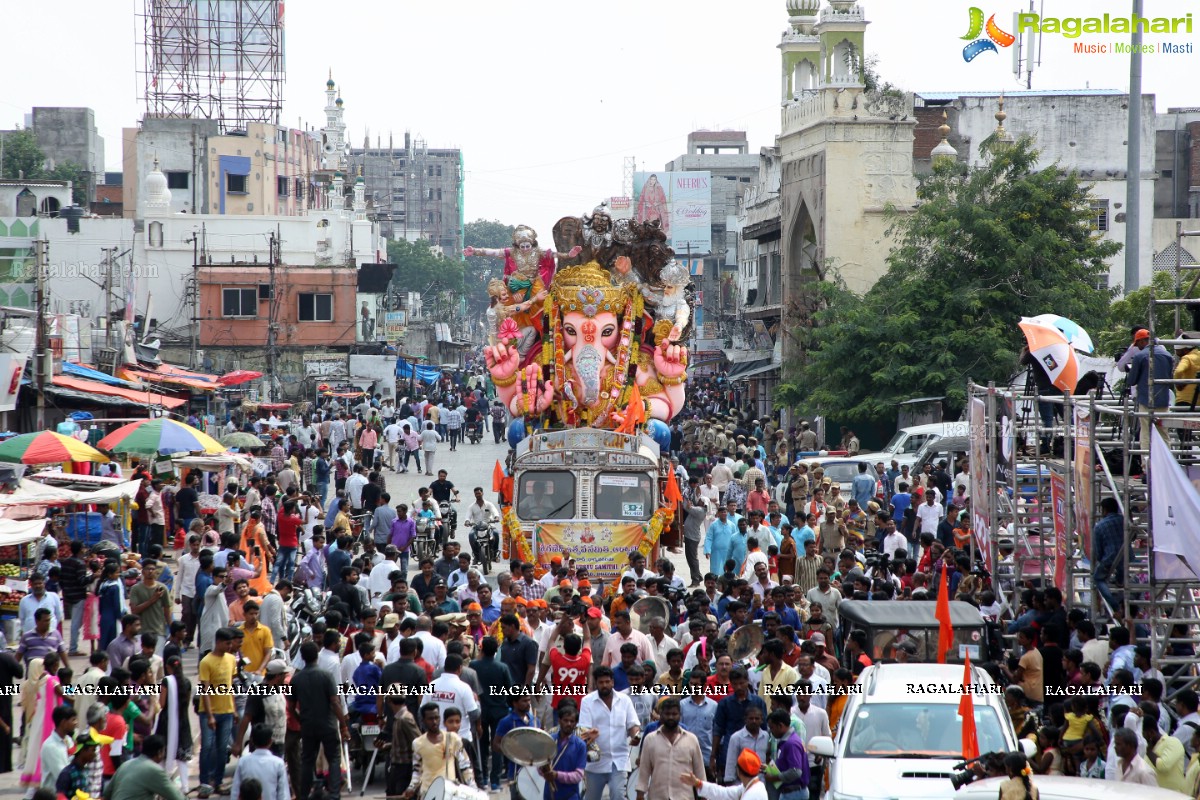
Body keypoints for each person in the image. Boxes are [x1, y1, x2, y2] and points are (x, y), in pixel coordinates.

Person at [291, 640, 348, 800]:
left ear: (302, 657)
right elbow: (335, 702)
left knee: (308, 760)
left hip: (308, 725)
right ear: (317, 655)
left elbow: (290, 707)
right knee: (334, 758)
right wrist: (343, 725)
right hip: (328, 724)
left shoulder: (297, 679)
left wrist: (301, 720)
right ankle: (334, 794)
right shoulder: (326, 676)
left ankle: (304, 794)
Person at [580, 665, 641, 800]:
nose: (605, 685)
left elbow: (633, 725)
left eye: (607, 682)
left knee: (618, 796)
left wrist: (635, 736)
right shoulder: (587, 701)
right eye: (601, 682)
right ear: (596, 683)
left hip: (619, 761)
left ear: (612, 682)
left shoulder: (624, 700)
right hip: (595, 762)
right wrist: (590, 733)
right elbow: (583, 731)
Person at [636, 696, 704, 800]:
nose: (671, 717)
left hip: (684, 797)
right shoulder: (650, 739)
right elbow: (643, 773)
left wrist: (704, 795)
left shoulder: (691, 739)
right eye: (667, 714)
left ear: (680, 715)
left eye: (674, 714)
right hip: (657, 796)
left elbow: (700, 773)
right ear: (661, 715)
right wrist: (640, 795)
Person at [198, 628, 237, 798]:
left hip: (227, 711)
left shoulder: (231, 659)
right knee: (206, 748)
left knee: (222, 749)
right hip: (208, 713)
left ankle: (219, 781)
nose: (230, 646)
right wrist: (210, 715)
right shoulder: (206, 662)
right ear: (219, 642)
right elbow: (204, 691)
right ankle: (204, 783)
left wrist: (234, 710)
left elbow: (231, 687)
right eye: (227, 643)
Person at [404, 704, 474, 798]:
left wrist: (473, 789)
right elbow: (417, 771)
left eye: (437, 718)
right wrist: (411, 788)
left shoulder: (453, 739)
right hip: (428, 793)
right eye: (430, 719)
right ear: (423, 721)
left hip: (450, 792)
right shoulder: (418, 744)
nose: (434, 722)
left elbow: (465, 766)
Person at [680, 747, 768, 800]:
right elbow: (724, 793)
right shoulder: (751, 786)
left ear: (738, 770)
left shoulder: (753, 794)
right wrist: (698, 783)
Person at [231, 724, 290, 800]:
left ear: (252, 740)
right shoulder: (278, 763)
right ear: (270, 741)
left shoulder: (243, 761)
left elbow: (235, 791)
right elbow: (283, 794)